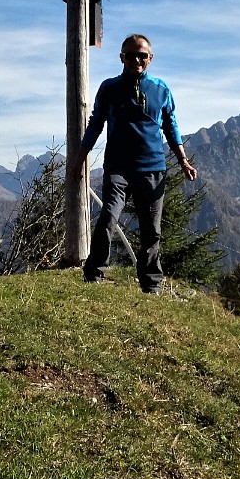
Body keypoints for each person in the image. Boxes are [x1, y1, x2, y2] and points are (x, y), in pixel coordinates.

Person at [78, 32, 197, 294]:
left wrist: (183, 161)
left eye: (142, 55)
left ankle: (151, 285)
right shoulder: (109, 88)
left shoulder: (161, 89)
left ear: (150, 58)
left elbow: (171, 126)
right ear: (121, 57)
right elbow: (96, 123)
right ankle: (94, 274)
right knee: (108, 217)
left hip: (153, 169)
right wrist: (80, 159)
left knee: (151, 230)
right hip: (118, 168)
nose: (136, 60)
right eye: (130, 55)